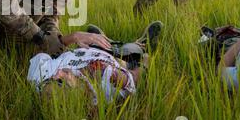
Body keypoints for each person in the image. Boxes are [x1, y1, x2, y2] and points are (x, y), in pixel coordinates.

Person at [28, 21, 164, 104]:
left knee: (94, 37)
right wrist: (145, 62)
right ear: (78, 92)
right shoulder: (105, 84)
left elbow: (46, 48)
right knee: (128, 52)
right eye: (61, 82)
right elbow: (134, 79)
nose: (58, 73)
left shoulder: (40, 76)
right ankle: (142, 44)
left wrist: (74, 37)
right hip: (112, 56)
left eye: (52, 79)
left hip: (86, 47)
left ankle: (102, 39)